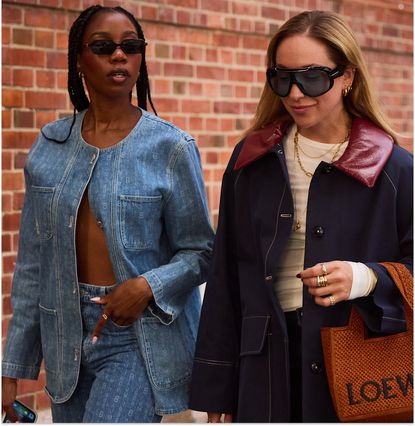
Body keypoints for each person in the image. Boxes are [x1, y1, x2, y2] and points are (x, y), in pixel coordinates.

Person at [189, 9, 413, 423]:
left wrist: (365, 278)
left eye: (311, 77)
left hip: (356, 364)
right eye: (282, 77)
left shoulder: (395, 170)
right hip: (263, 368)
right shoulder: (251, 161)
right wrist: (217, 390)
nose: (294, 93)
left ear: (347, 77)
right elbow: (226, 279)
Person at [2, 5, 214, 423]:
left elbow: (201, 251)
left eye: (130, 47)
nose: (120, 56)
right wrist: (13, 368)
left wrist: (146, 286)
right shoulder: (50, 146)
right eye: (103, 47)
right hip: (63, 333)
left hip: (136, 335)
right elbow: (32, 266)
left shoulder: (170, 148)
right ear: (78, 59)